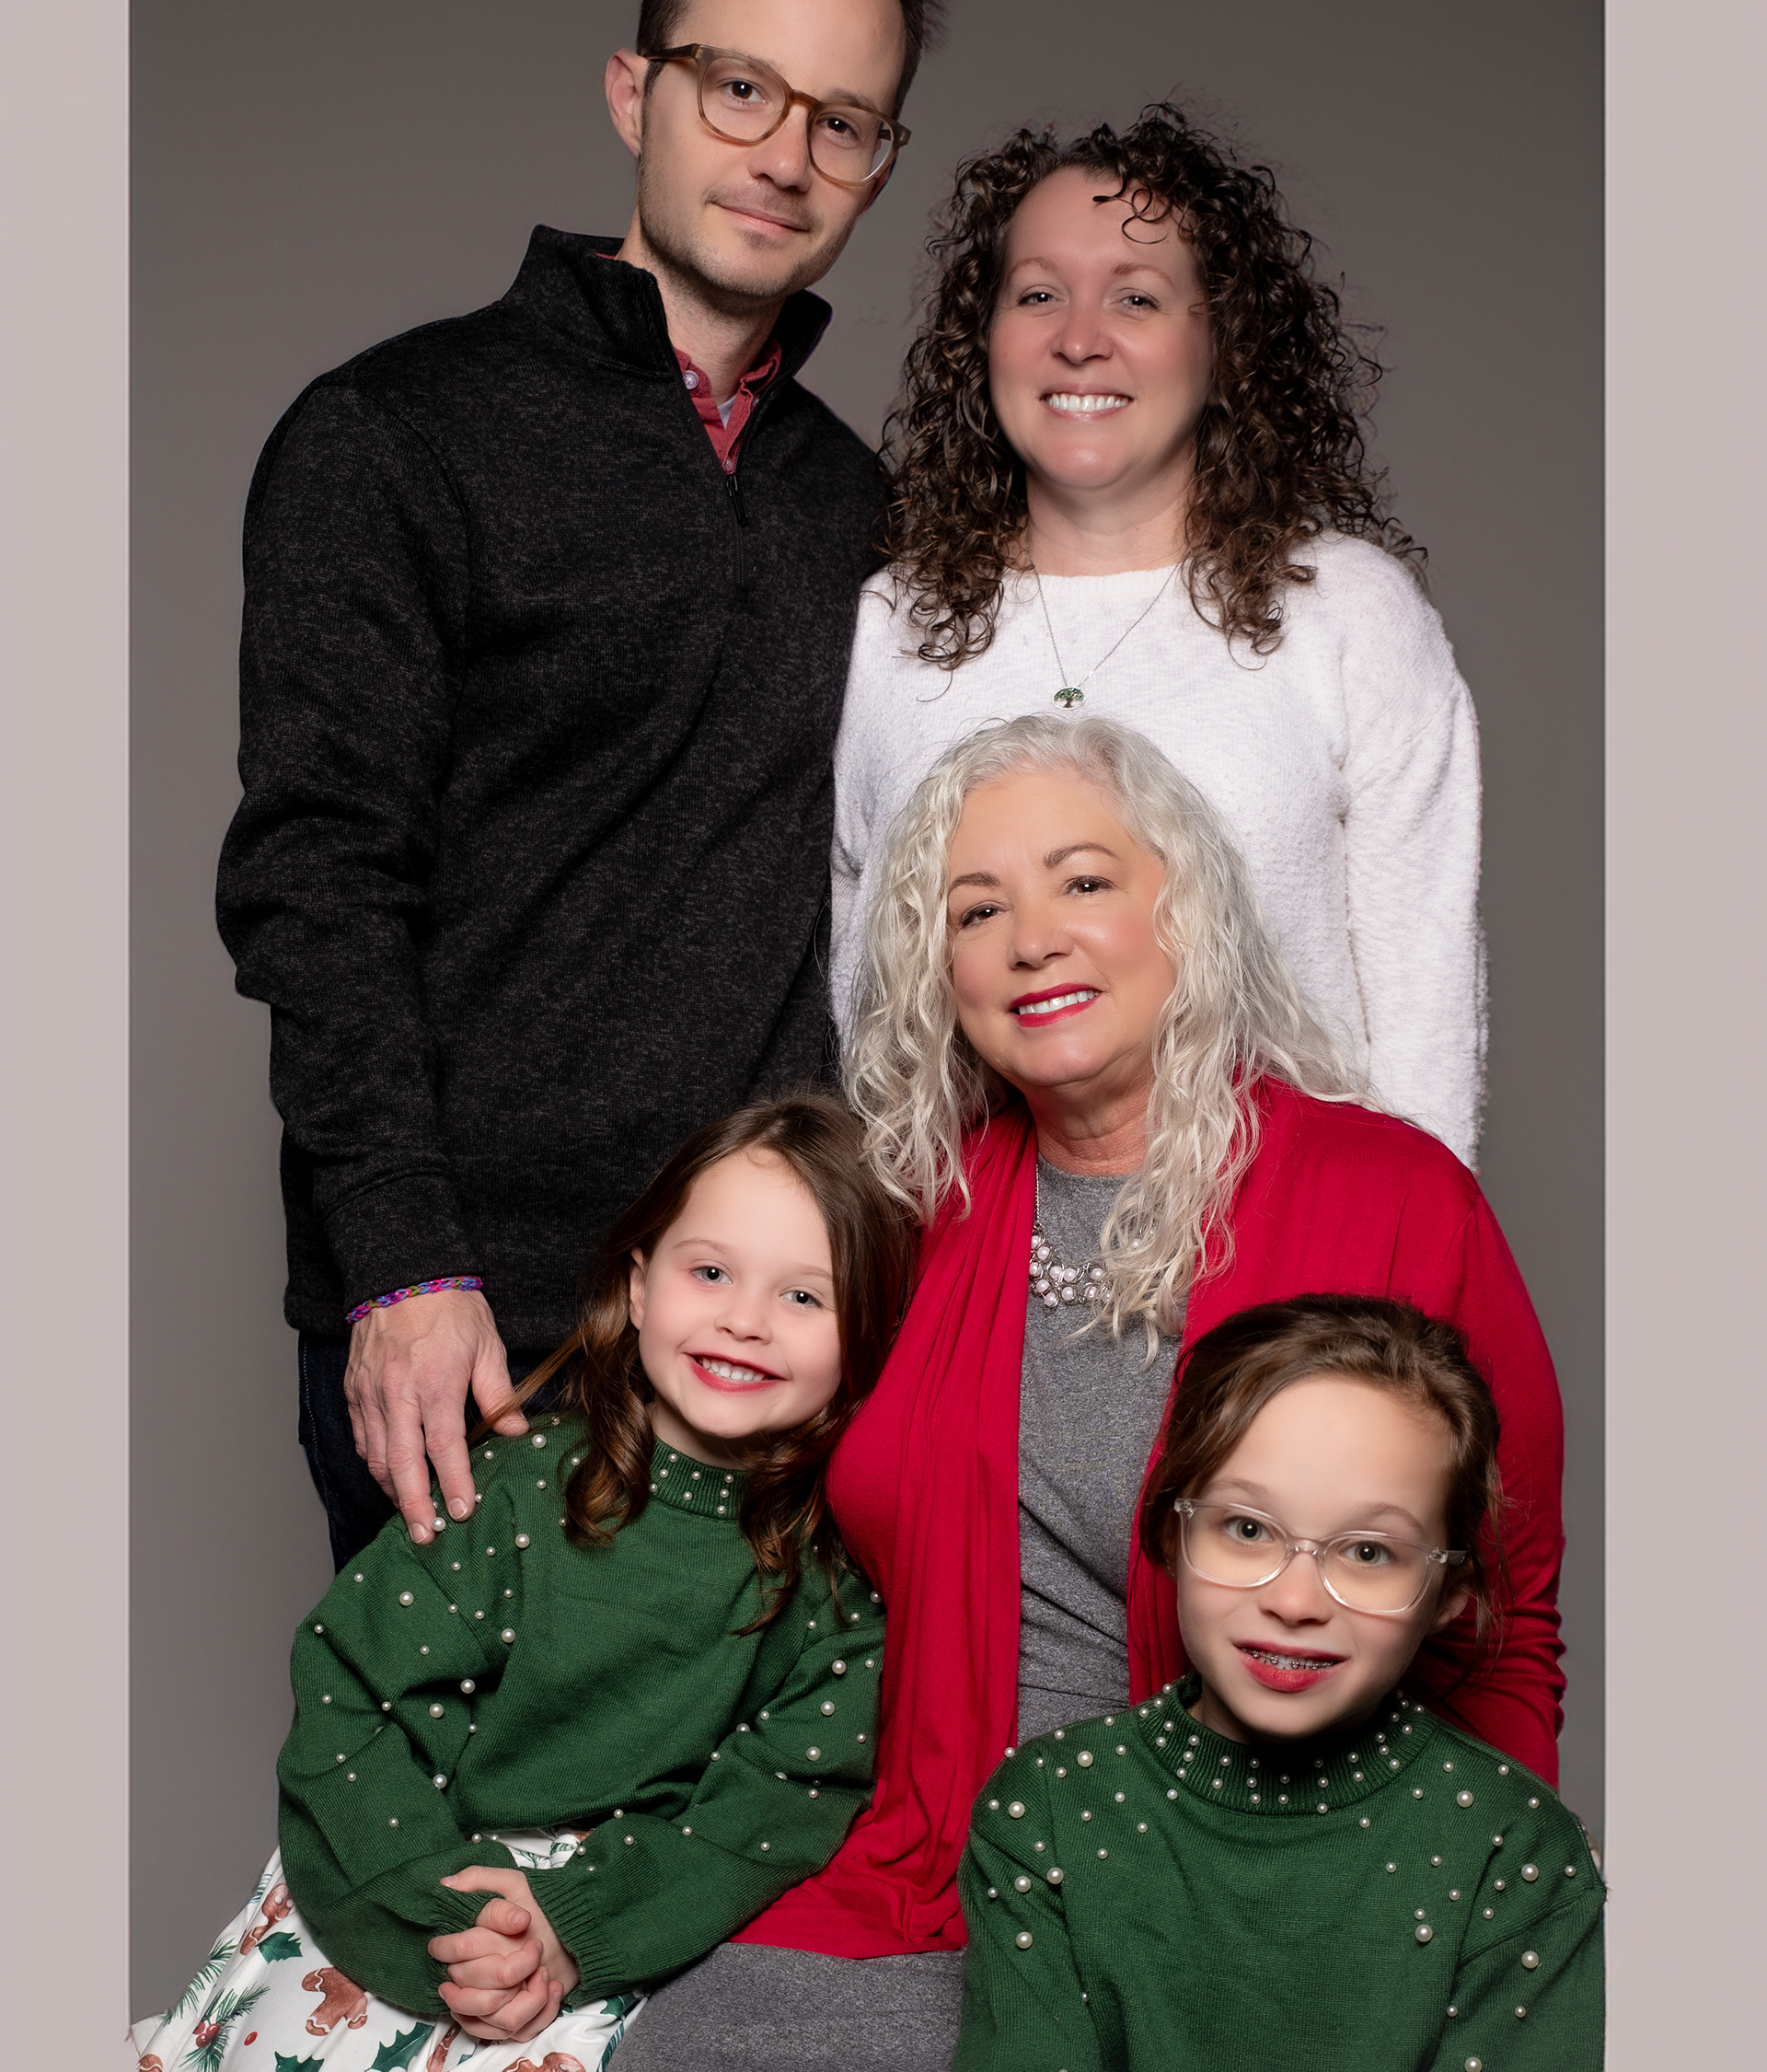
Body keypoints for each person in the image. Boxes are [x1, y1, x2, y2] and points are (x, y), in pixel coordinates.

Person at [613, 714, 1562, 2072]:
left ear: (1186, 907)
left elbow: (1508, 1619)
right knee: (689, 2049)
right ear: (940, 972)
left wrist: (1481, 1915)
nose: (1031, 939)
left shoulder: (1398, 1201)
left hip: (1277, 1868)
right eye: (977, 908)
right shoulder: (909, 1219)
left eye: (1084, 881)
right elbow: (726, 1426)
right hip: (949, 1868)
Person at [214, 0, 941, 1567]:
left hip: (777, 1338)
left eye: (842, 122)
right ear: (636, 92)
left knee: (789, 1759)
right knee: (420, 1756)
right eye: (740, 85)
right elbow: (317, 882)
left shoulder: (867, 515)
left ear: (877, 165)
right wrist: (400, 1262)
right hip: (478, 1324)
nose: (784, 154)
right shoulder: (394, 435)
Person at [132, 1096, 913, 2072]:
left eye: (804, 1297)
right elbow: (351, 1695)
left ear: (870, 1336)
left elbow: (771, 1813)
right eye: (710, 1272)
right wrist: (441, 1917)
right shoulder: (509, 1490)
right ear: (640, 1287)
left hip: (621, 1922)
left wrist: (571, 1931)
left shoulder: (843, 1586)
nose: (744, 1320)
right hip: (398, 1873)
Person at [833, 104, 1484, 1170]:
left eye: (1135, 296)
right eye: (1037, 294)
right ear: (982, 339)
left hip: (1284, 1248)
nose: (1079, 336)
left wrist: (1404, 1254)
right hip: (963, 1247)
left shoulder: (1346, 614)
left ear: (1221, 344)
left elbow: (1425, 1014)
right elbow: (861, 1003)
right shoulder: (892, 625)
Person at [956, 1296, 1603, 2072]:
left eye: (1368, 1552)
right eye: (1247, 1529)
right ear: (1171, 1532)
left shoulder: (1517, 1852)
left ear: (1449, 1595)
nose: (1295, 1603)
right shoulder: (1048, 1812)